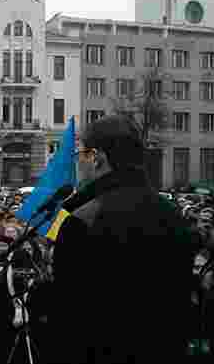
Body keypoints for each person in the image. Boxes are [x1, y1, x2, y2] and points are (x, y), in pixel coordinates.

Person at [49, 115, 194, 364]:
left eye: (82, 155)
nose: (79, 163)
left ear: (97, 158)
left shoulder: (84, 219)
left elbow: (68, 318)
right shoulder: (174, 215)